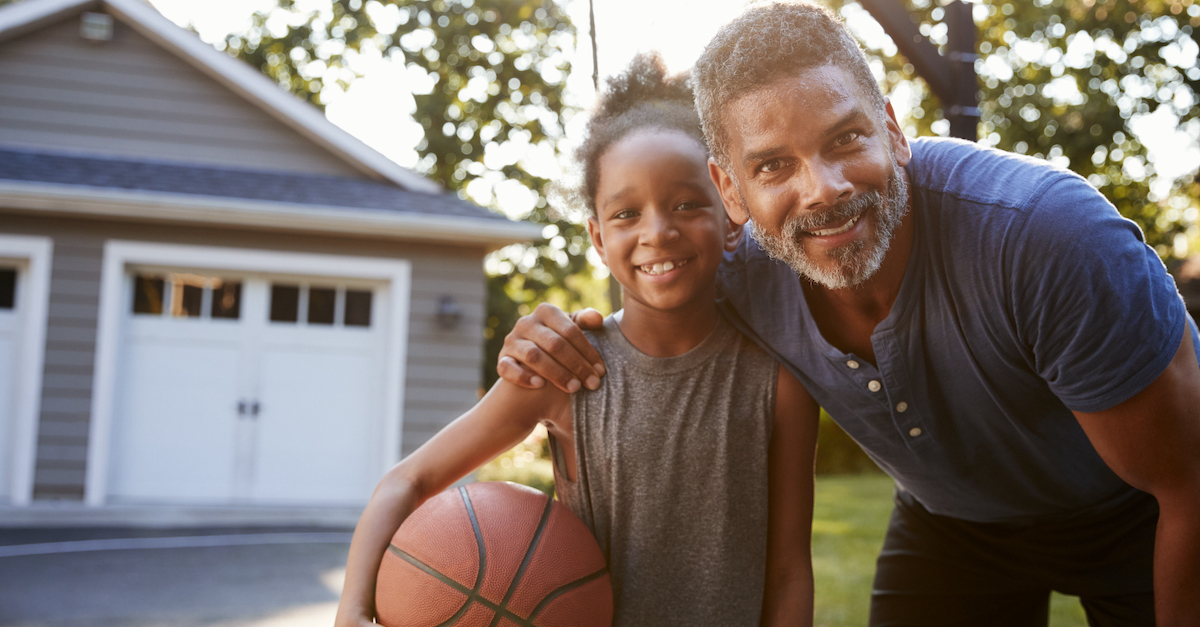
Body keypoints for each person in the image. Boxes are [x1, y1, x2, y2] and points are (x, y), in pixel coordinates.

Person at [495, 3, 1200, 626]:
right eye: (772, 167)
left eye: (844, 140)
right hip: (956, 523)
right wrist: (552, 335)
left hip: (1137, 512)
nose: (823, 190)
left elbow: (1188, 482)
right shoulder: (730, 271)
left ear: (892, 131)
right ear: (728, 190)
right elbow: (639, 313)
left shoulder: (1047, 239)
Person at [334, 52, 817, 627]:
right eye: (626, 214)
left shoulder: (779, 380)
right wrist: (352, 612)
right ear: (596, 235)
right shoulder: (567, 369)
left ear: (730, 209)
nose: (657, 231)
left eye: (687, 204)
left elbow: (789, 569)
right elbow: (406, 482)